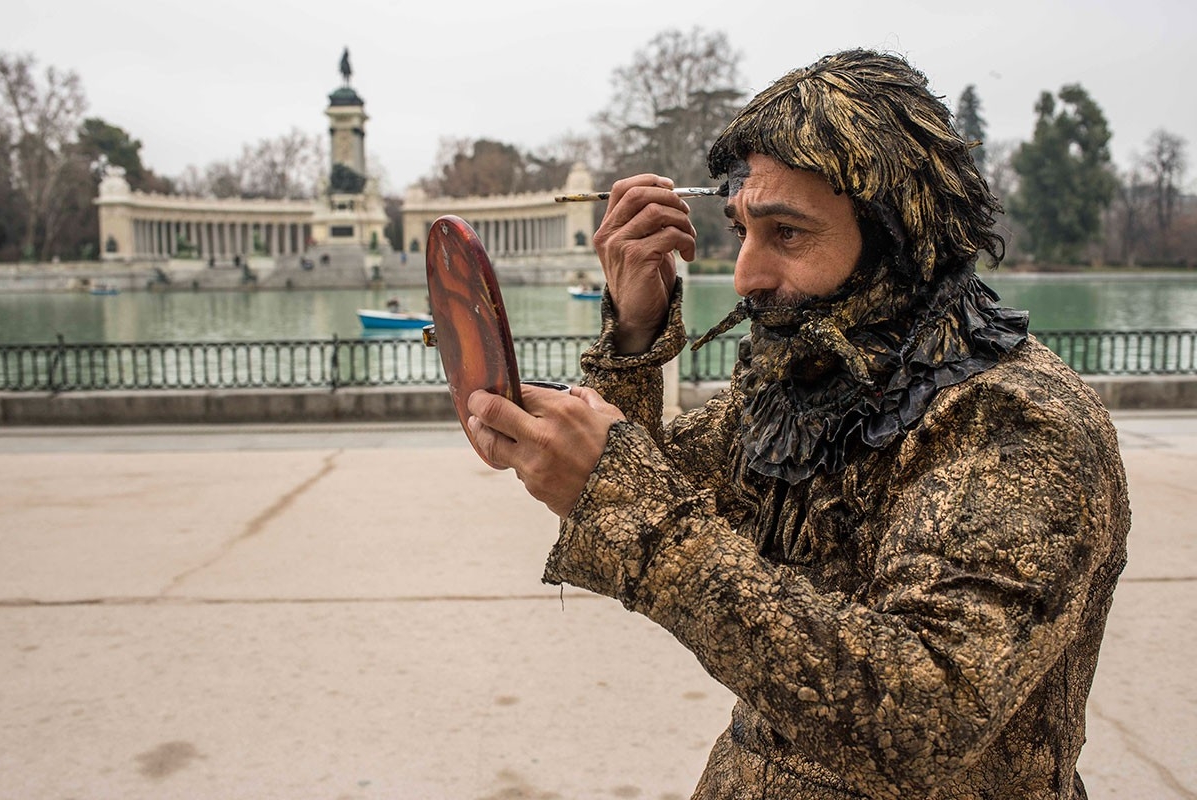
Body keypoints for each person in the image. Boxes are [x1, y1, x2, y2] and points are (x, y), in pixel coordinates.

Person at [465, 49, 1129, 800]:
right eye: (742, 230)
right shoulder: (818, 380)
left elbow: (922, 717)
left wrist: (619, 489)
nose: (746, 274)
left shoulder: (1016, 423)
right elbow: (658, 484)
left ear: (899, 237)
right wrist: (632, 339)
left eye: (787, 234)